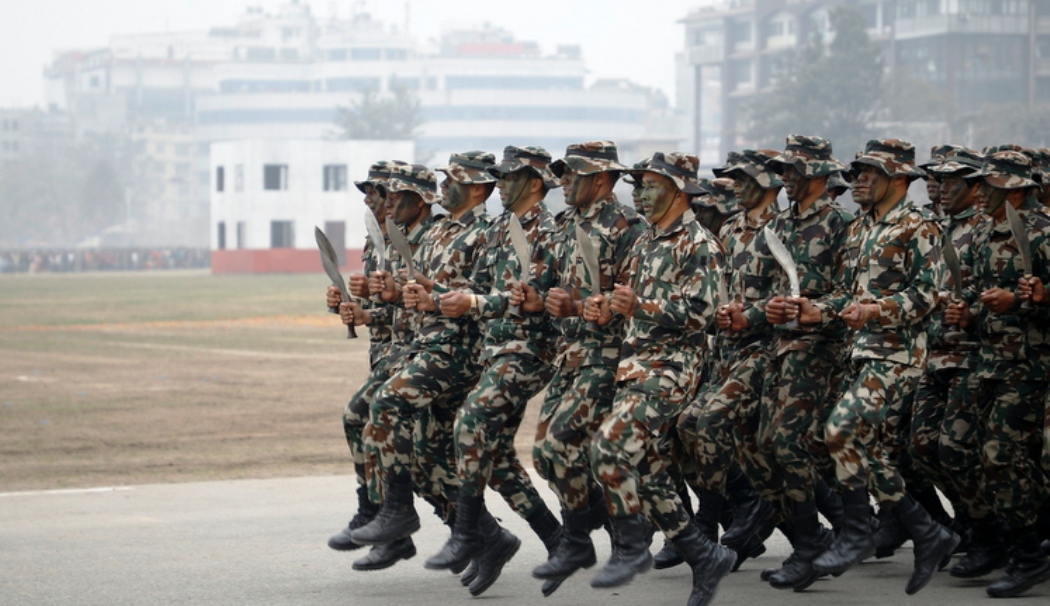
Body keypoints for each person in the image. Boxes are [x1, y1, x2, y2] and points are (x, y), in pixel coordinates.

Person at [802, 139, 958, 594]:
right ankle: (930, 533)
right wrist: (819, 310)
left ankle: (855, 534)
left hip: (899, 353)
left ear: (899, 179)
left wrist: (876, 310)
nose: (859, 181)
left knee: (840, 431)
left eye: (870, 173)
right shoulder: (860, 229)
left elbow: (929, 295)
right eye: (857, 173)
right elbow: (850, 294)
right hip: (863, 351)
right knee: (866, 451)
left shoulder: (919, 226)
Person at [585, 151, 737, 606]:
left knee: (609, 447)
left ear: (678, 190)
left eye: (651, 185)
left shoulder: (700, 244)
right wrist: (606, 307)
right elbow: (627, 300)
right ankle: (704, 555)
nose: (640, 193)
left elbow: (703, 314)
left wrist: (640, 306)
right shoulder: (647, 241)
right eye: (639, 185)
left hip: (673, 369)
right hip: (636, 365)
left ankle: (632, 546)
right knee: (649, 472)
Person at [424, 146, 563, 596]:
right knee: (497, 455)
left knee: (469, 425)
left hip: (530, 350)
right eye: (498, 176)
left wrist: (477, 303)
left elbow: (532, 296)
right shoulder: (503, 227)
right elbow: (479, 288)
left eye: (509, 176)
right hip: (496, 349)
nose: (499, 183)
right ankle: (555, 538)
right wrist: (434, 293)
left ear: (535, 182)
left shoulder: (549, 230)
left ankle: (468, 534)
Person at [520, 141, 645, 595]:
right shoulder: (564, 225)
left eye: (573, 174)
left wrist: (598, 306)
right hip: (569, 355)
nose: (565, 182)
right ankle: (605, 520)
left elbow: (639, 296)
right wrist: (539, 299)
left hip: (608, 357)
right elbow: (545, 285)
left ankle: (582, 538)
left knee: (563, 445)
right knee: (546, 458)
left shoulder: (630, 227)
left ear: (600, 178)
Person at [945, 149, 1050, 598]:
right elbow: (971, 290)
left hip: (1029, 364)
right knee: (954, 446)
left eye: (994, 185)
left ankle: (1029, 553)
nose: (983, 191)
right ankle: (997, 536)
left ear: (1020, 189)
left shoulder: (1044, 233)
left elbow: (1033, 298)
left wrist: (1031, 300)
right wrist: (963, 312)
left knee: (1001, 454)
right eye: (984, 184)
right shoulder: (984, 234)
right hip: (986, 360)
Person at [330, 162, 443, 570]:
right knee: (385, 438)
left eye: (378, 192)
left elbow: (423, 307)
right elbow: (390, 307)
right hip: (389, 352)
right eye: (379, 194)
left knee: (432, 461)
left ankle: (481, 534)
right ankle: (383, 520)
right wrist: (358, 308)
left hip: (423, 354)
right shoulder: (377, 240)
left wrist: (381, 304)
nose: (373, 199)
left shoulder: (426, 237)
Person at [760, 135, 855, 590]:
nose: (785, 180)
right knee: (764, 443)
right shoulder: (780, 224)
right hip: (782, 349)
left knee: (787, 442)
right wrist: (770, 309)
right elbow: (771, 291)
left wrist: (819, 309)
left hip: (821, 350)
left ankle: (811, 541)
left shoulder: (841, 223)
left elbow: (854, 292)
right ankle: (837, 526)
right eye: (783, 172)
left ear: (817, 175)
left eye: (792, 172)